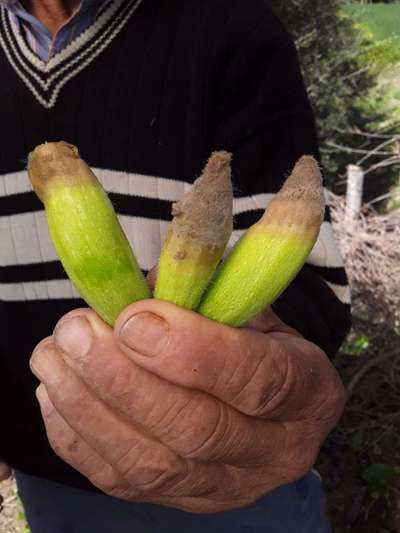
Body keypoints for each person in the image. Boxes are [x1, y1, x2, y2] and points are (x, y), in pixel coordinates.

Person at [0, 0, 351, 531]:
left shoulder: (235, 29)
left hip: (233, 479)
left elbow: (308, 285)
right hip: (47, 477)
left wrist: (268, 382)